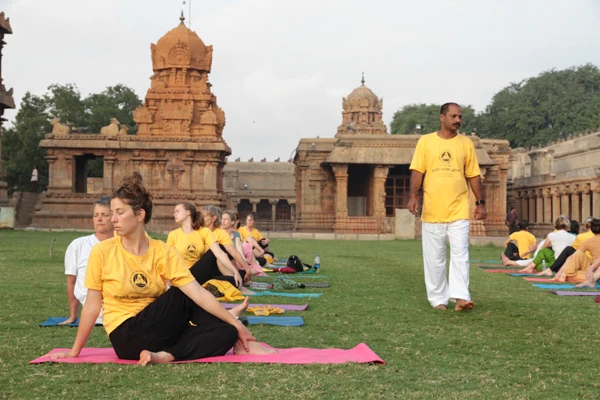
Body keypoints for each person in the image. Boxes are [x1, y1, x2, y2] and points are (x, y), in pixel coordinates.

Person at [50, 173, 272, 365]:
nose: (113, 219)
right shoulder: (102, 251)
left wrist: (236, 327)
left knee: (226, 332)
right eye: (112, 212)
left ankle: (166, 355)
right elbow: (91, 305)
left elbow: (200, 295)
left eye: (119, 212)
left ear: (140, 215)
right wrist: (74, 351)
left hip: (160, 332)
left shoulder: (163, 251)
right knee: (184, 294)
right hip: (126, 337)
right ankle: (236, 327)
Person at [407, 102, 486, 311]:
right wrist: (413, 196)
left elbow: (473, 175)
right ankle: (438, 300)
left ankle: (461, 297)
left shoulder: (466, 143)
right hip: (433, 209)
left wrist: (480, 203)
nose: (458, 120)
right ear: (442, 117)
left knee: (461, 253)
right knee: (435, 259)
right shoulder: (426, 142)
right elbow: (417, 171)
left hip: (459, 208)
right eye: (453, 116)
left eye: (460, 116)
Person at [60, 196, 114, 325]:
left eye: (104, 215)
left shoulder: (124, 244)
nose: (99, 219)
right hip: (96, 310)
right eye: (96, 215)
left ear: (114, 217)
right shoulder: (79, 245)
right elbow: (71, 282)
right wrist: (73, 316)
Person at [167, 202, 243, 288]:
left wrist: (235, 271)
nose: (174, 214)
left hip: (199, 273)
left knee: (232, 279)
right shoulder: (173, 234)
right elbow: (168, 260)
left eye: (177, 211)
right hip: (183, 273)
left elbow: (219, 253)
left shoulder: (204, 231)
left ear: (188, 212)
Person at [201, 205, 258, 280]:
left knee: (222, 250)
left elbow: (234, 252)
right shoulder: (199, 231)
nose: (201, 218)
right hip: (200, 266)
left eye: (204, 216)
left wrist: (247, 269)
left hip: (218, 266)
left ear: (213, 218)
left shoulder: (221, 233)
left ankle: (237, 277)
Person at [503, 216, 574, 273]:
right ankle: (530, 266)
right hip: (568, 264)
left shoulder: (551, 235)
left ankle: (530, 267)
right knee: (541, 258)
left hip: (555, 263)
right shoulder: (573, 237)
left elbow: (542, 249)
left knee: (542, 254)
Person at [552, 218, 600, 283]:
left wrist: (561, 273)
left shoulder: (588, 241)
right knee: (578, 253)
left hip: (594, 268)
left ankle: (567, 275)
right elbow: (575, 256)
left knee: (577, 255)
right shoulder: (588, 241)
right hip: (593, 267)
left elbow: (572, 257)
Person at [222, 210, 264, 277]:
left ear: (232, 222)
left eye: (226, 219)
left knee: (257, 269)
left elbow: (238, 246)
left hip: (236, 258)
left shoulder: (236, 234)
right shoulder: (219, 233)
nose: (223, 221)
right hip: (225, 260)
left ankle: (242, 273)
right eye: (222, 219)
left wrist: (243, 258)